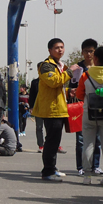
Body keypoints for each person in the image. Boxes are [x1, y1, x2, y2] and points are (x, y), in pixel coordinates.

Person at [31, 38, 79, 181]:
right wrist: (70, 71)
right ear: (50, 50)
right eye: (57, 47)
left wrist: (69, 91)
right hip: (51, 110)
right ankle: (47, 171)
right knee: (51, 141)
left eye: (62, 47)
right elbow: (54, 82)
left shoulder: (60, 65)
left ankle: (52, 168)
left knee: (55, 141)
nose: (60, 50)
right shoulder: (46, 66)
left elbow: (58, 88)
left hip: (59, 108)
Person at [75, 46, 103, 186]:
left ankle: (87, 175)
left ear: (96, 58)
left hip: (89, 113)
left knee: (88, 144)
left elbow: (79, 95)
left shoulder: (86, 75)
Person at [69, 39, 102, 175]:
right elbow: (71, 86)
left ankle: (95, 165)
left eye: (91, 51)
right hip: (81, 106)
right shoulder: (77, 69)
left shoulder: (100, 67)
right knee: (81, 139)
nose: (89, 54)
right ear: (82, 52)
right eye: (86, 51)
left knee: (98, 138)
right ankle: (81, 166)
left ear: (95, 52)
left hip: (98, 105)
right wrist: (72, 91)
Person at [28, 74, 45, 152]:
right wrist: (31, 107)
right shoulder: (35, 82)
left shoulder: (48, 81)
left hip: (48, 107)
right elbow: (31, 95)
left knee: (50, 127)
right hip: (38, 107)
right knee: (39, 127)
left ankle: (50, 144)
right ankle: (41, 145)